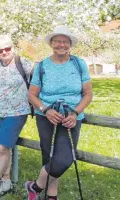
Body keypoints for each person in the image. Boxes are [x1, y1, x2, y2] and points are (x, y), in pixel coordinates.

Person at [24, 26, 93, 200]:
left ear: (70, 44)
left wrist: (76, 113)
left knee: (63, 159)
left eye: (65, 42)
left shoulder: (79, 64)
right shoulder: (42, 66)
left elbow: (88, 93)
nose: (61, 45)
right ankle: (51, 196)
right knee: (49, 157)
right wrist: (46, 110)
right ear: (51, 44)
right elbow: (32, 95)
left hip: (71, 116)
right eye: (57, 41)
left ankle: (34, 187)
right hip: (47, 116)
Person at [0, 35, 33, 197]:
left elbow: (39, 81)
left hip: (17, 112)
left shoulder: (23, 63)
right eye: (0, 50)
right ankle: (6, 181)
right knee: (4, 148)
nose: (4, 52)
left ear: (12, 47)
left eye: (7, 49)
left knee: (2, 147)